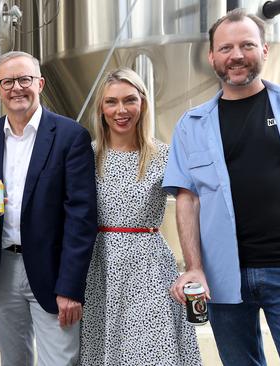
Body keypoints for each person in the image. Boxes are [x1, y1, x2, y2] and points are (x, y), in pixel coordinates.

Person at [164, 8, 280, 366]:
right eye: (226, 48)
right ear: (212, 57)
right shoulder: (191, 125)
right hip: (222, 278)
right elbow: (187, 200)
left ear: (265, 50)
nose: (236, 55)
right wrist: (194, 267)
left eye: (247, 45)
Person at [0, 51, 97, 365]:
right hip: (2, 272)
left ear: (39, 83)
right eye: (8, 81)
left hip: (54, 272)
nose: (17, 88)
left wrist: (71, 286)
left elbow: (81, 218)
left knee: (60, 360)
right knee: (13, 361)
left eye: (24, 79)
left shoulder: (71, 135)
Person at [79, 67, 201, 365]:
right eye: (111, 102)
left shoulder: (164, 154)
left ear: (142, 103)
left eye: (129, 100)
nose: (121, 110)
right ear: (101, 108)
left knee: (151, 350)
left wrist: (196, 267)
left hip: (149, 267)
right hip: (99, 267)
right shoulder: (85, 155)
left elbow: (193, 206)